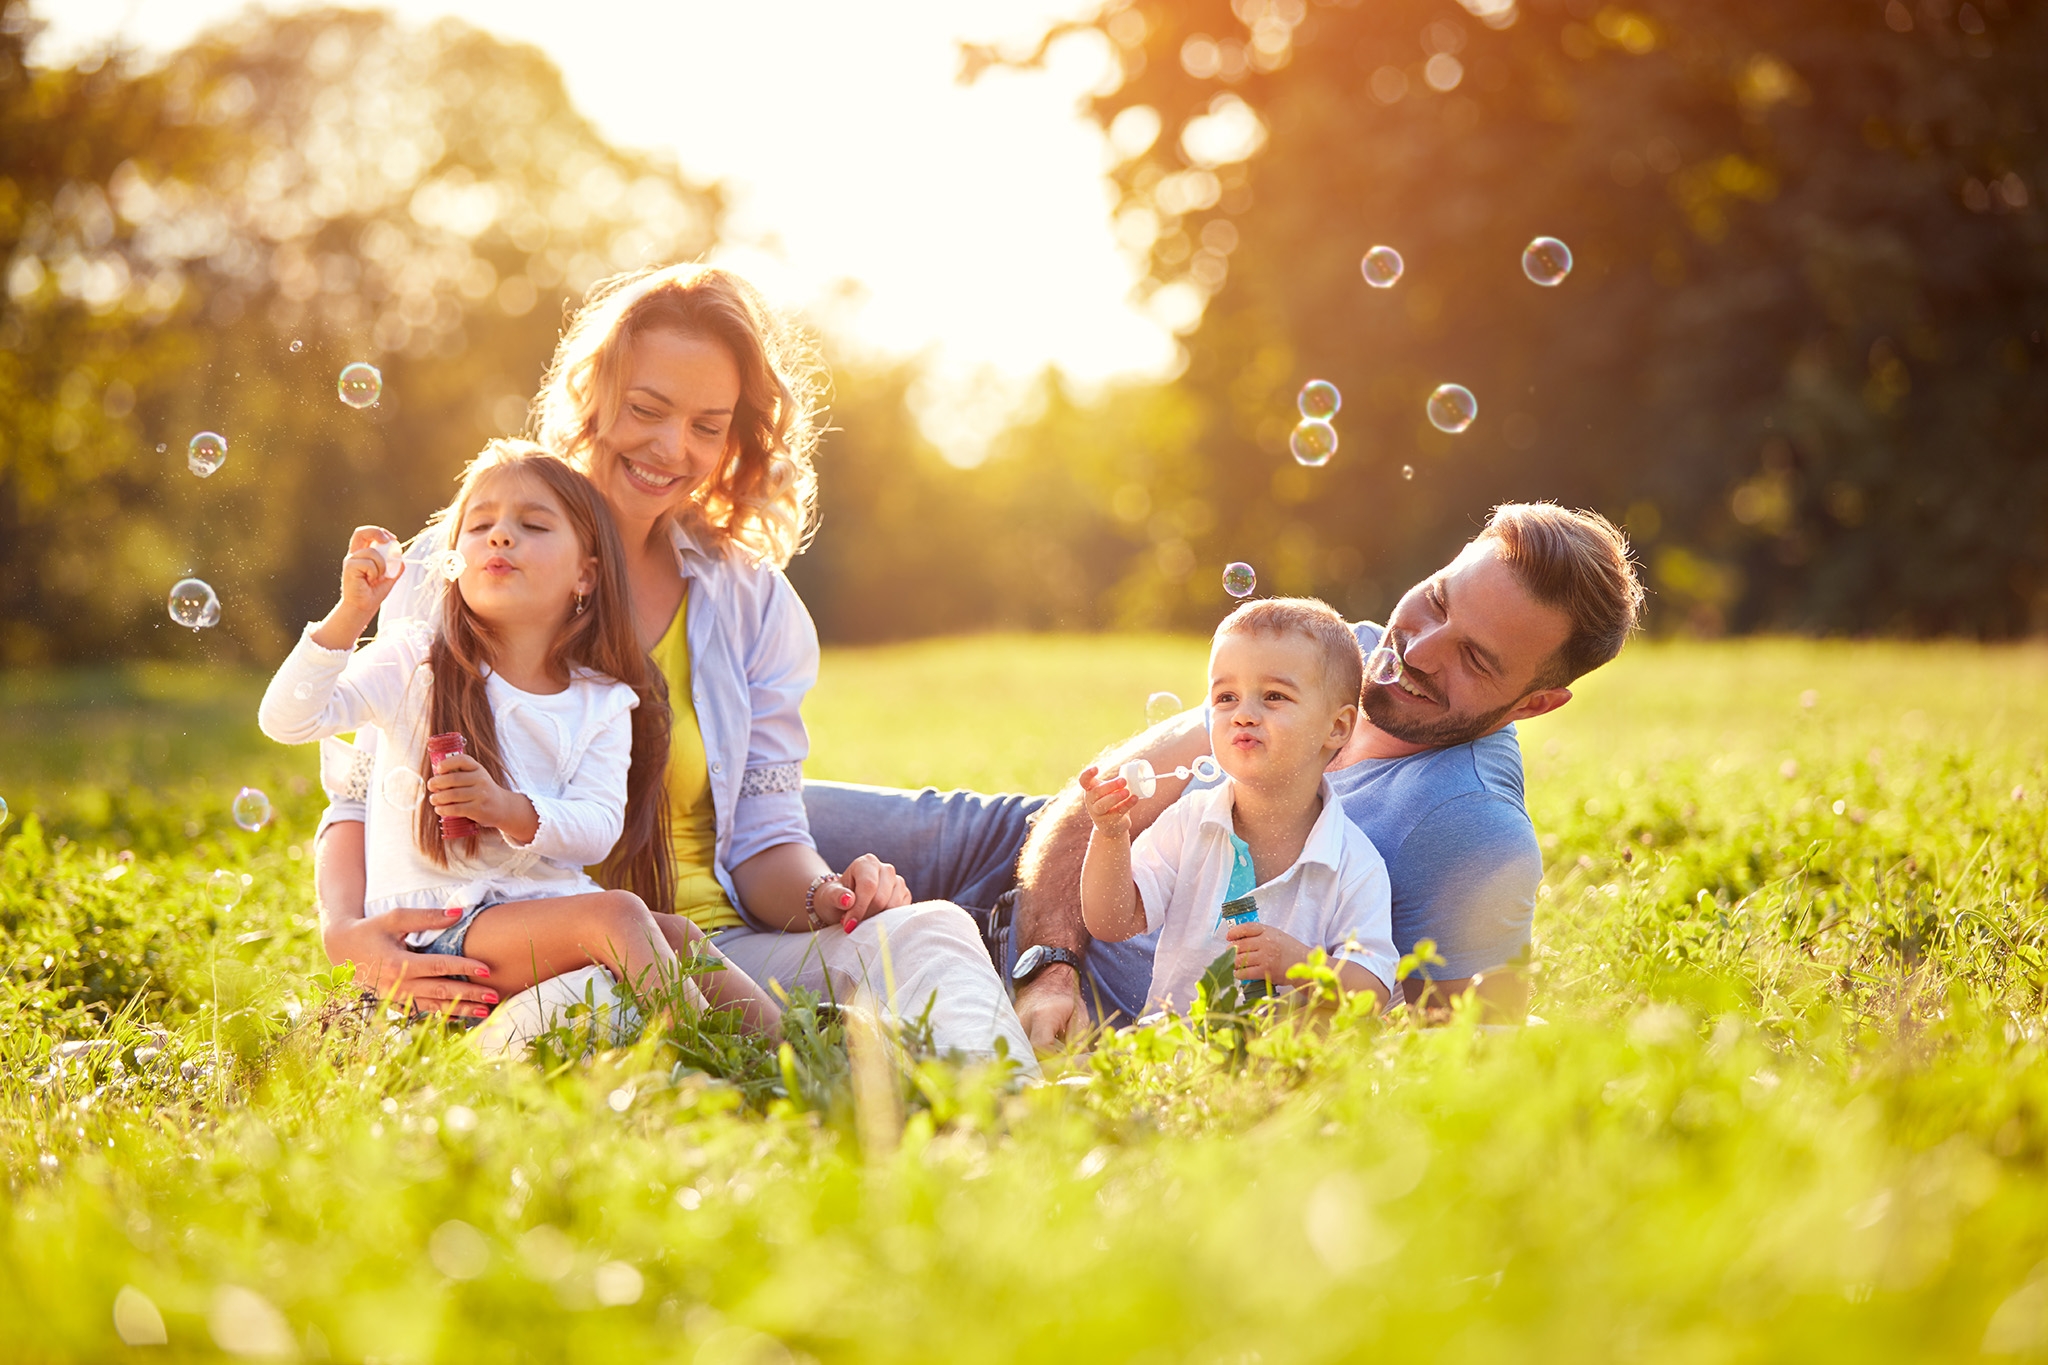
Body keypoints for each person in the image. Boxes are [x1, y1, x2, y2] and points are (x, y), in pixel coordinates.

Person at [313, 265, 1035, 1068]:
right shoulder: (464, 566)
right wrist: (350, 938)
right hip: (527, 954)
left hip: (714, 957)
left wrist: (826, 894)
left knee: (931, 930)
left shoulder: (746, 601)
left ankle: (1006, 1115)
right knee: (599, 1011)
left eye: (707, 425)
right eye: (647, 409)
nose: (672, 448)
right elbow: (353, 798)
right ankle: (771, 1073)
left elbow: (765, 843)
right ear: (591, 397)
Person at [798, 502, 1646, 1046]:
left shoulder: (1472, 826)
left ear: (1534, 704)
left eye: (1474, 658)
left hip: (1085, 992)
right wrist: (1047, 963)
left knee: (749, 930)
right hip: (1017, 858)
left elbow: (1463, 1052)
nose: (1412, 652)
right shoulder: (1339, 652)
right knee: (723, 813)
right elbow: (1098, 789)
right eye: (1434, 601)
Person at [263, 441, 779, 1032]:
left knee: (676, 933)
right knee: (616, 916)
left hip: (533, 916)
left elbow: (599, 826)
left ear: (585, 573)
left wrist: (509, 810)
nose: (500, 536)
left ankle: (790, 1043)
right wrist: (350, 615)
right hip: (438, 929)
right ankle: (710, 1049)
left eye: (531, 525)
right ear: (454, 561)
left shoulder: (603, 699)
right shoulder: (412, 662)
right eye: (480, 525)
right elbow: (289, 719)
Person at [1078, 598, 1396, 1015]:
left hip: (1285, 1066)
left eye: (1274, 696)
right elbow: (1111, 921)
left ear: (1336, 728)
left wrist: (1299, 965)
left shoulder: (1352, 863)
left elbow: (1372, 992)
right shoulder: (1189, 824)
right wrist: (1111, 835)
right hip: (1174, 1055)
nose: (1243, 714)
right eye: (1226, 696)